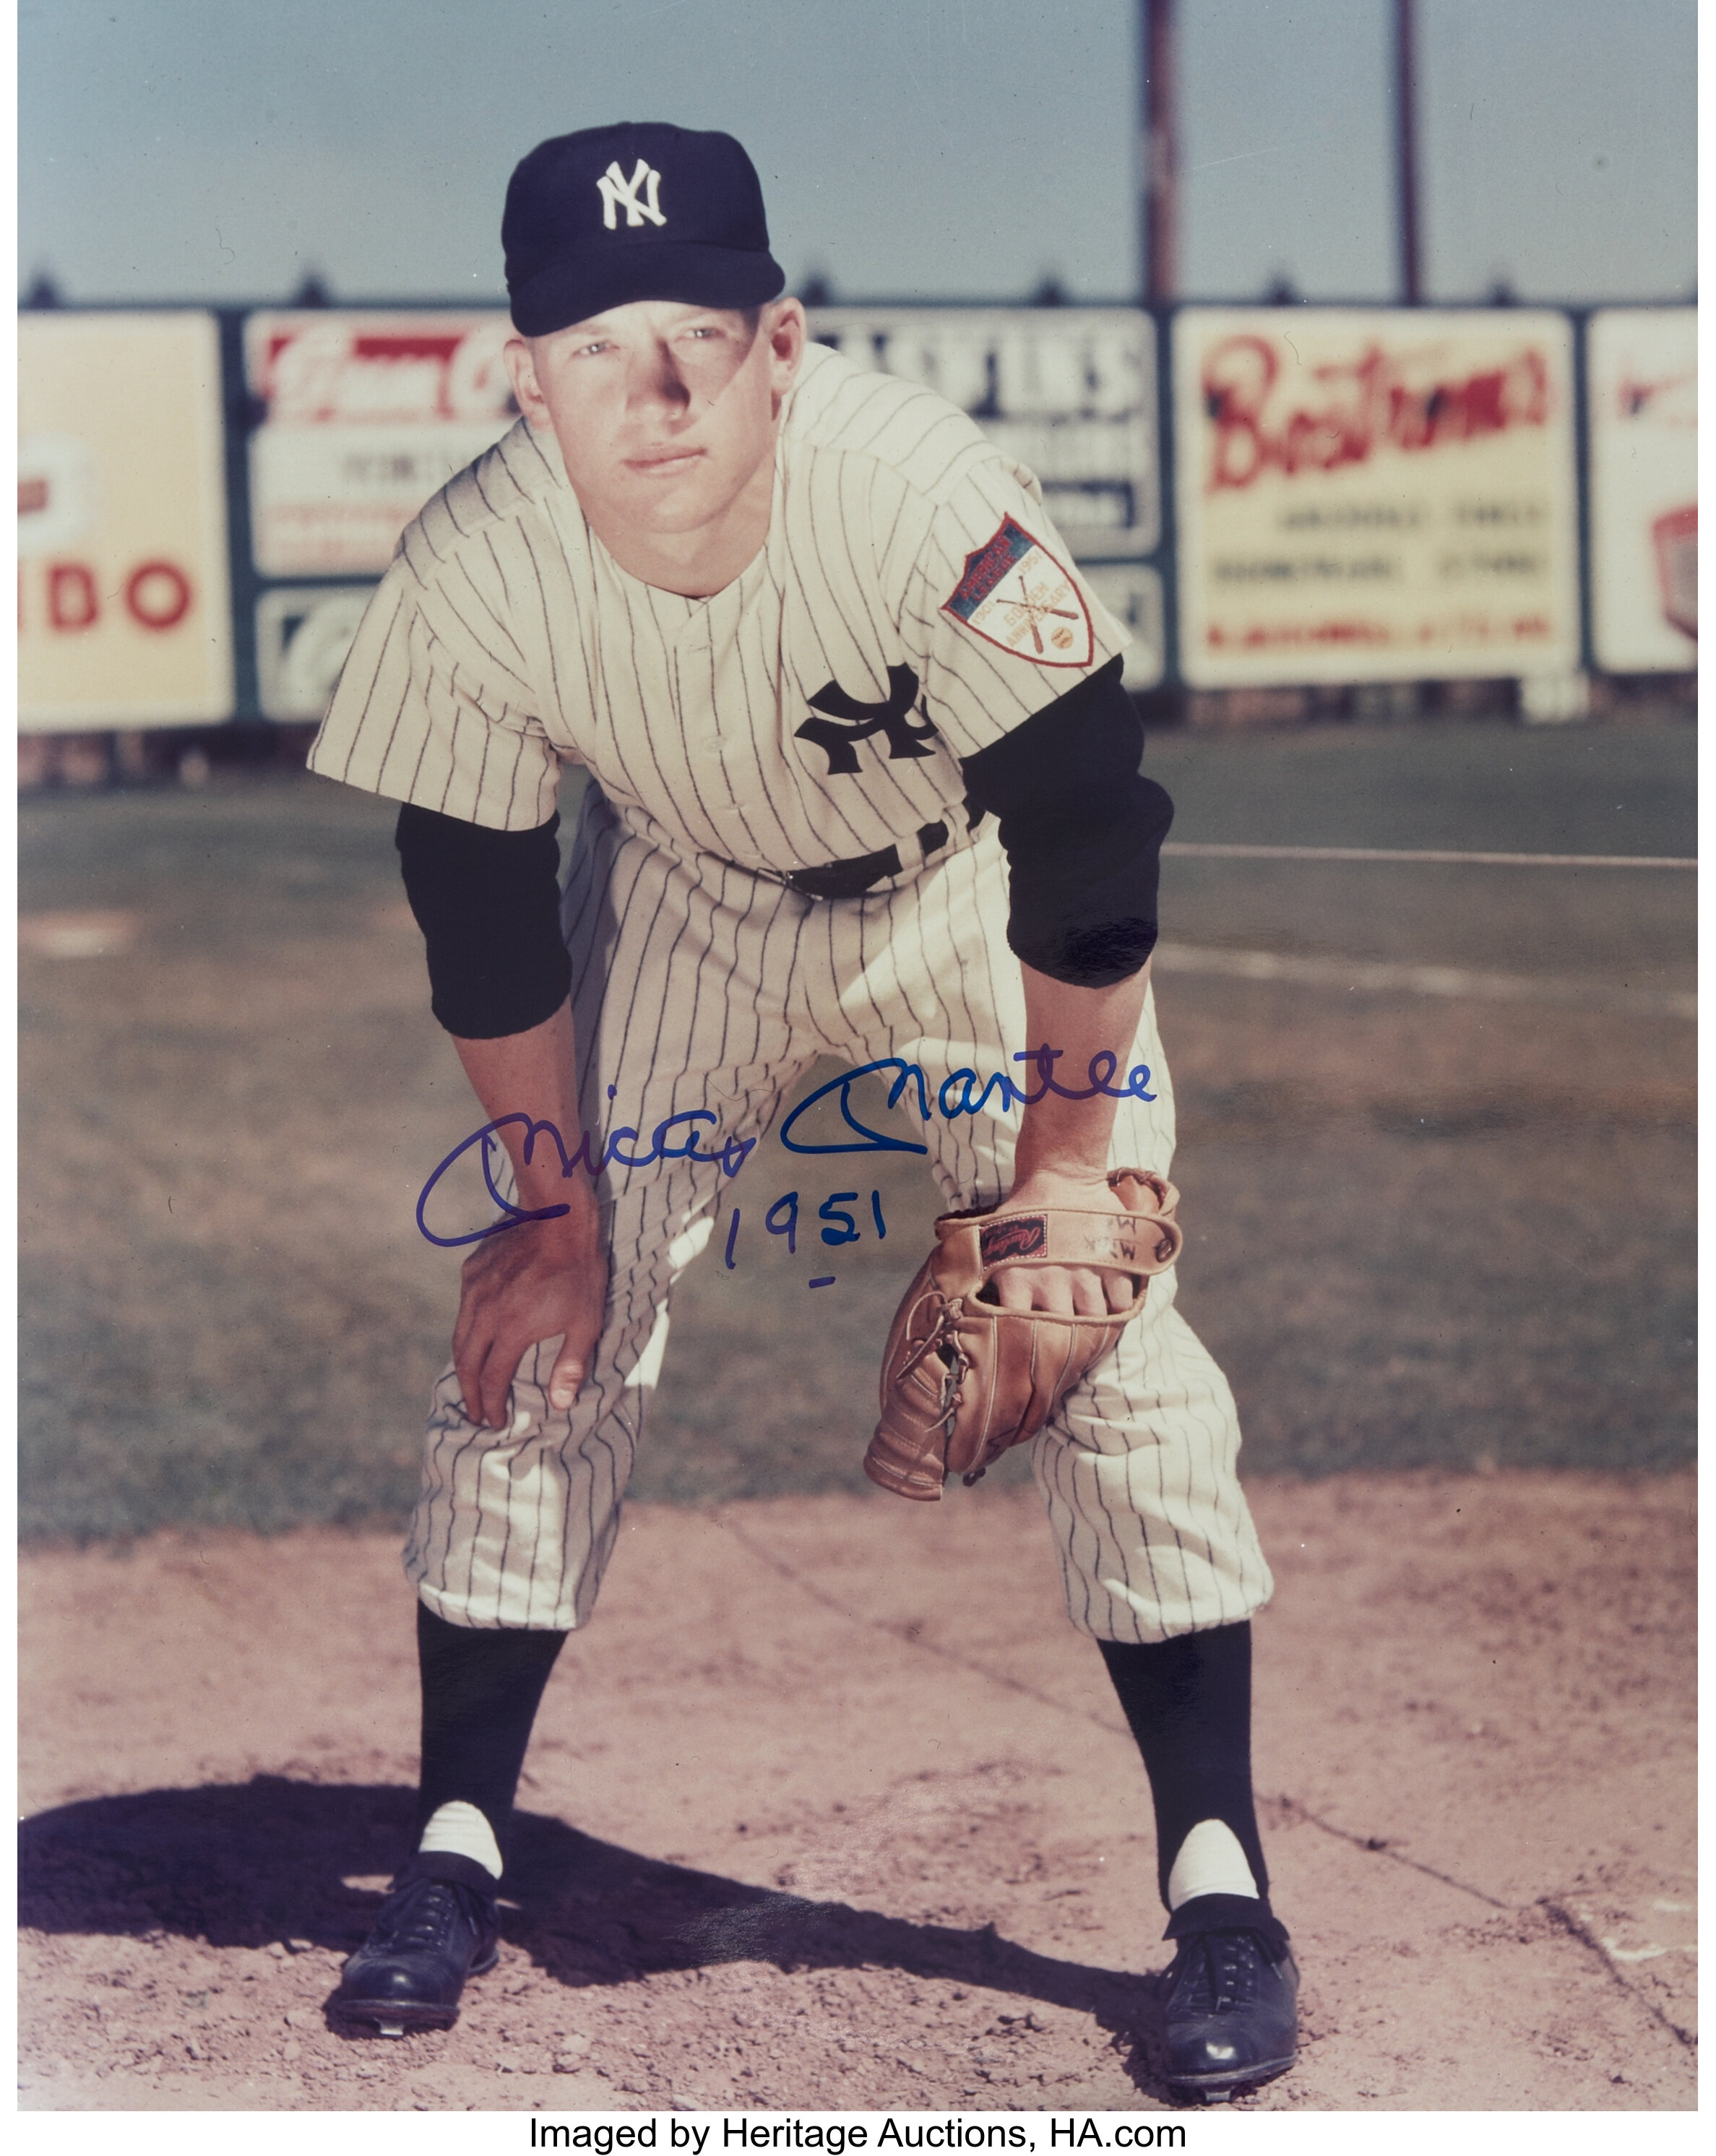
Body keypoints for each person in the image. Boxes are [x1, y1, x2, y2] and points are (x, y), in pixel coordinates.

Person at [309, 121, 1296, 2100]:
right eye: (597, 347)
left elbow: (1092, 836)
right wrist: (551, 1206)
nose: (654, 389)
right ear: (525, 375)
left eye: (697, 333)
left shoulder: (924, 498)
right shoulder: (478, 568)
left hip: (960, 905)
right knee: (544, 1338)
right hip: (678, 904)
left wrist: (1068, 1174)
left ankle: (1224, 1892)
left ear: (781, 337)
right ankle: (452, 1852)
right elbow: (480, 911)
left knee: (1114, 1348)